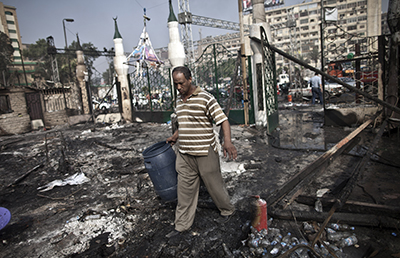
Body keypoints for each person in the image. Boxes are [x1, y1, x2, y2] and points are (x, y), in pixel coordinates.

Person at [166, 66, 237, 238]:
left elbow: (223, 120)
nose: (178, 88)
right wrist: (176, 135)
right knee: (184, 191)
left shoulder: (206, 98)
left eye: (181, 83)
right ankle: (182, 225)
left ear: (190, 79)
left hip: (205, 151)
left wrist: (227, 142)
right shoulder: (178, 101)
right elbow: (184, 123)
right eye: (175, 84)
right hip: (184, 154)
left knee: (214, 186)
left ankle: (227, 210)